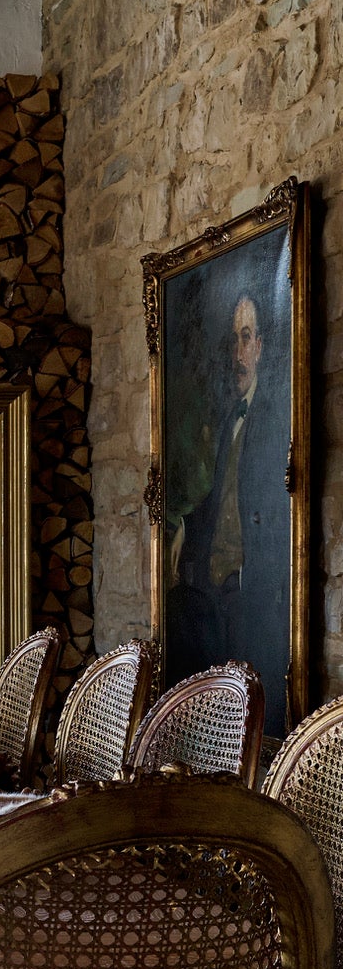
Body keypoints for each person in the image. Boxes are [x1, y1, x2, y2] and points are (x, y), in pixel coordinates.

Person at [167, 291, 290, 730]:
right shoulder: (226, 419)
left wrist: (256, 580)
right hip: (214, 592)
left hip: (250, 594)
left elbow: (280, 515)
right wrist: (182, 526)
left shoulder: (277, 420)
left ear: (260, 346)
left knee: (249, 725)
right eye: (232, 342)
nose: (238, 354)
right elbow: (219, 498)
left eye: (245, 339)